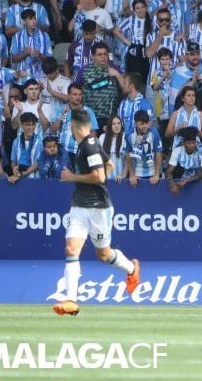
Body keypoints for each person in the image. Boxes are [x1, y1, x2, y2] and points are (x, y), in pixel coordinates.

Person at [52, 109, 141, 316]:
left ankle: (131, 269)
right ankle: (71, 301)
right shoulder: (88, 144)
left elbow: (100, 176)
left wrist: (72, 177)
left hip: (99, 208)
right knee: (71, 249)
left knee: (103, 254)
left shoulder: (89, 146)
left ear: (74, 125)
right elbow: (109, 165)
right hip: (79, 206)